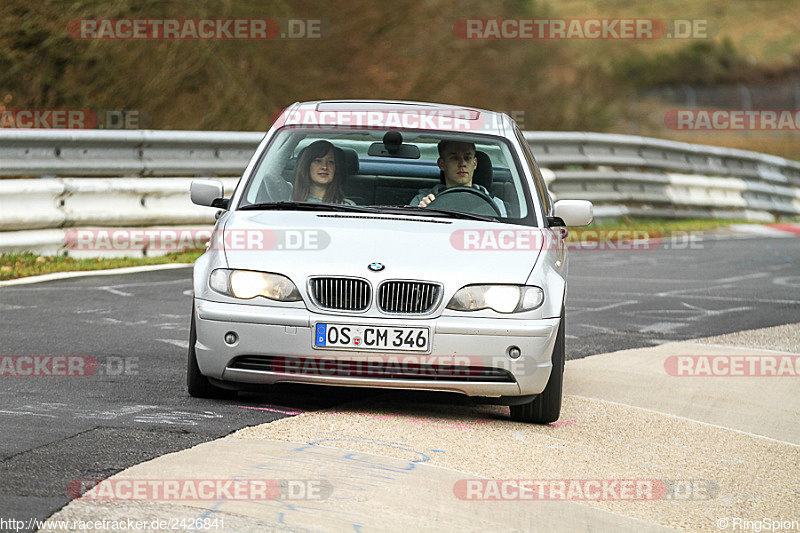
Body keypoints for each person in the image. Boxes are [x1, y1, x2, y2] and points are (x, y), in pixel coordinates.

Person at [409, 140, 506, 216]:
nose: (462, 164)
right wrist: (421, 213)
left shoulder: (495, 204)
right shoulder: (422, 200)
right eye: (454, 158)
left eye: (467, 158)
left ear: (475, 163)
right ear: (441, 164)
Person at [291, 140, 354, 204]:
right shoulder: (287, 198)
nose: (324, 167)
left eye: (330, 162)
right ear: (307, 166)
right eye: (318, 161)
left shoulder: (347, 205)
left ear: (336, 169)